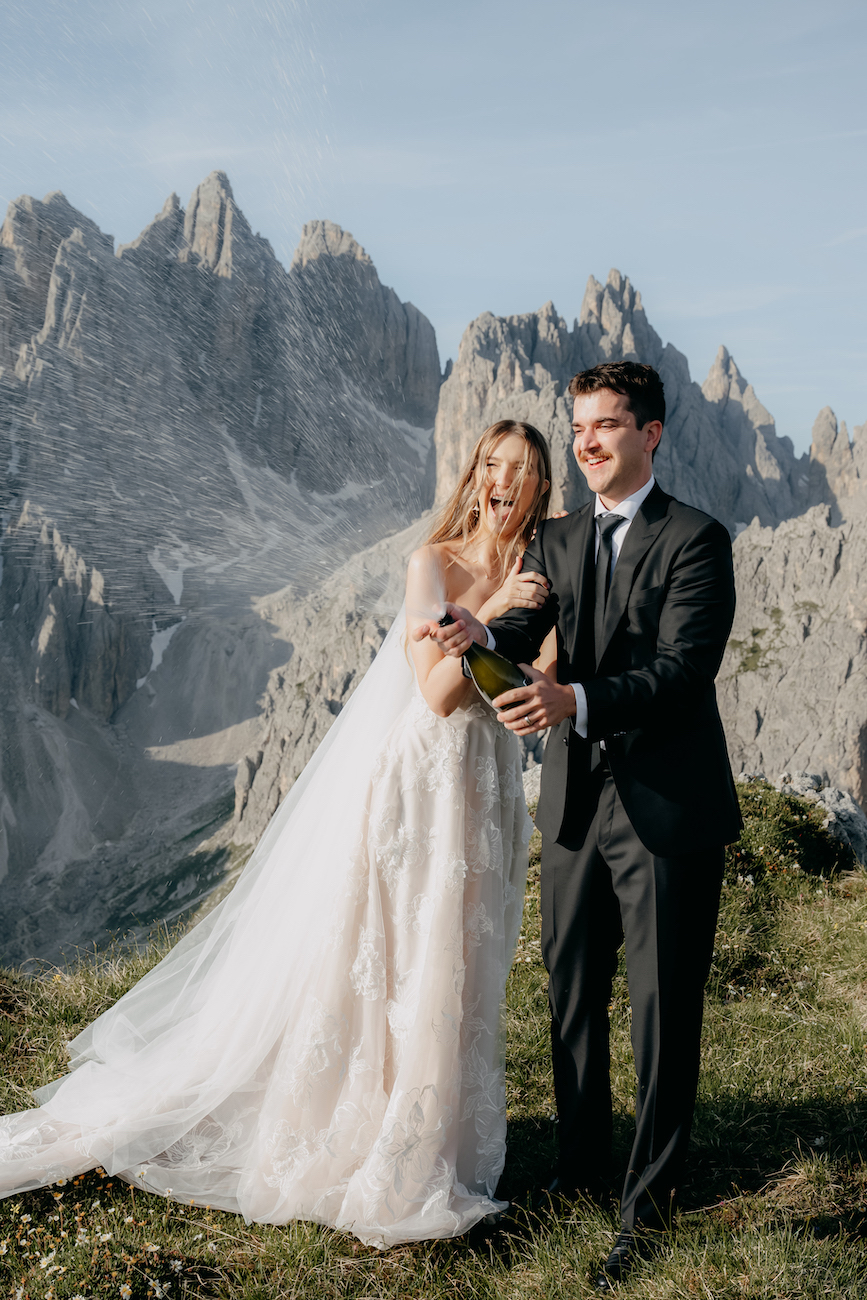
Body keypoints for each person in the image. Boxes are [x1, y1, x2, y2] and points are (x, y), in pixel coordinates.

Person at [0, 421, 552, 1248]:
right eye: (492, 466)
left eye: (521, 472)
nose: (502, 482)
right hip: (420, 783)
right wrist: (493, 609)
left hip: (482, 787)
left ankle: (434, 1140)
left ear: (539, 487)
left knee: (460, 958)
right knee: (404, 952)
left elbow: (531, 677)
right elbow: (436, 691)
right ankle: (372, 1135)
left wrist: (535, 652)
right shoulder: (431, 565)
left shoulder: (541, 568)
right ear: (473, 475)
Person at [428, 362, 741, 1288]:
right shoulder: (556, 541)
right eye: (580, 429)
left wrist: (577, 702)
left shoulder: (697, 539)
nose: (589, 442)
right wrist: (479, 638)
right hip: (570, 804)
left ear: (651, 435)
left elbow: (686, 671)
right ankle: (577, 1174)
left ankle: (648, 1206)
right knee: (571, 998)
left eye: (608, 425)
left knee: (658, 1010)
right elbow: (524, 638)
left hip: (665, 810)